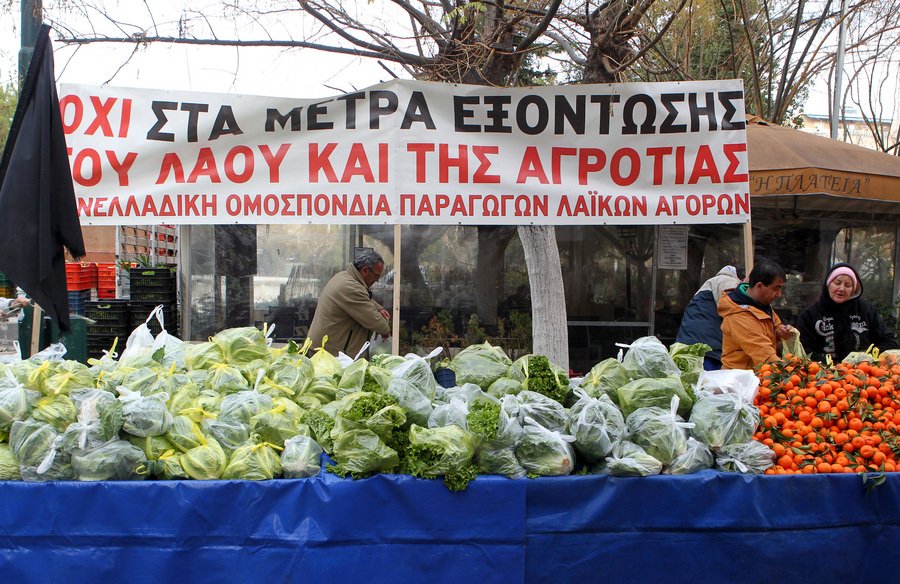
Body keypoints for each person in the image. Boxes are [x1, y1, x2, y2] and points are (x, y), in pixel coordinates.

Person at [797, 263, 898, 362]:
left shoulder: (865, 309)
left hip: (863, 372)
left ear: (854, 290)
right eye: (837, 283)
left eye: (848, 285)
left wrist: (867, 357)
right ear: (828, 284)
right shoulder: (810, 314)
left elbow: (889, 341)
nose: (841, 289)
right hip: (822, 373)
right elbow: (804, 350)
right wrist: (830, 365)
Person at [307, 249, 391, 357]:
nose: (377, 280)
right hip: (328, 356)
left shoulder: (343, 277)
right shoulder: (351, 288)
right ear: (365, 270)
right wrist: (385, 330)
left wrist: (379, 308)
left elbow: (364, 297)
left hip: (323, 351)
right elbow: (380, 325)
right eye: (376, 276)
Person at [718, 259, 795, 369]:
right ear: (759, 286)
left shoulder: (762, 305)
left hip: (759, 375)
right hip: (739, 380)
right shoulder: (738, 315)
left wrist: (782, 331)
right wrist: (791, 372)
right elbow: (763, 353)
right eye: (776, 289)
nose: (779, 294)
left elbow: (775, 326)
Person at [676, 265, 743, 370]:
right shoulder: (729, 282)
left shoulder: (712, 283)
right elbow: (734, 312)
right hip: (707, 346)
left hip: (691, 341)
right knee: (709, 381)